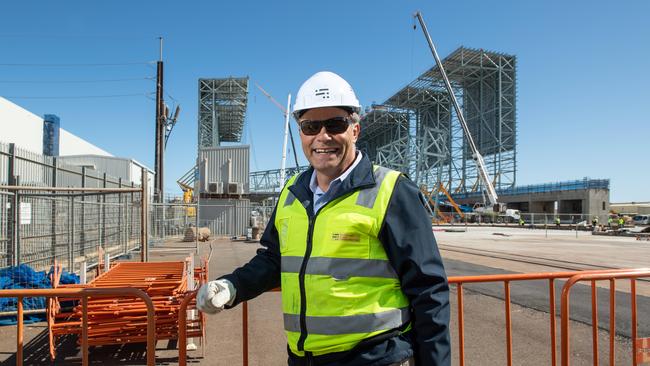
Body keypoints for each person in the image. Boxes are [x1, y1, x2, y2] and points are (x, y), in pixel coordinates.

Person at [196, 71, 450, 365]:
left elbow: (428, 290)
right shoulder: (292, 192)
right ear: (301, 133)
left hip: (375, 358)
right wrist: (232, 287)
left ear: (355, 129)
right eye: (310, 126)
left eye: (335, 124)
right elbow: (274, 259)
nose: (322, 136)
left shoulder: (392, 191)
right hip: (304, 358)